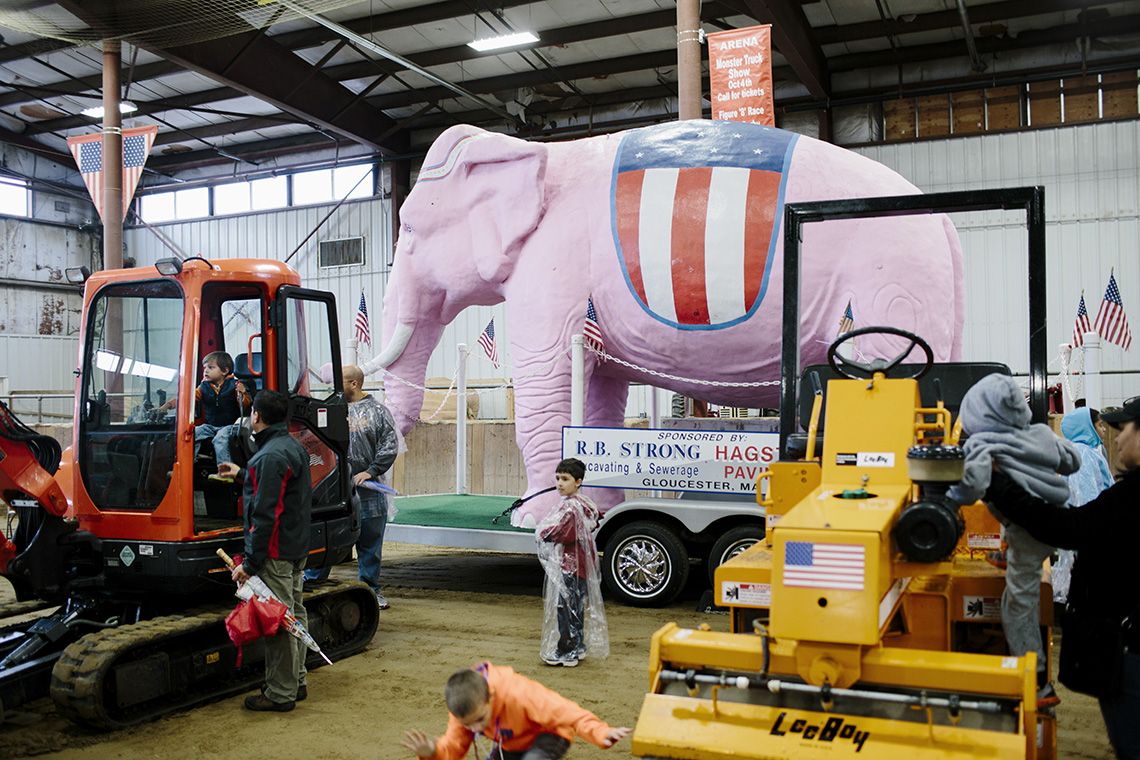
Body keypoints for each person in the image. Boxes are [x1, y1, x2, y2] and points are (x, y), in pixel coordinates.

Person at [984, 395, 1140, 759]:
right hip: (1126, 642)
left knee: (1131, 744)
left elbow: (1071, 526)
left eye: (1124, 429)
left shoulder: (1134, 495)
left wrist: (995, 484)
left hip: (1131, 649)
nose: (1116, 438)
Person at [946, 373, 1080, 691]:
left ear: (977, 413)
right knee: (1011, 520)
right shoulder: (1040, 433)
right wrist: (1046, 451)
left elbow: (972, 487)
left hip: (1028, 531)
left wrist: (947, 497)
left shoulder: (983, 445)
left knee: (1018, 604)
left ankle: (1035, 676)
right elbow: (1072, 461)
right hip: (1054, 515)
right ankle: (1009, 553)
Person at [218, 389, 312, 712]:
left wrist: (251, 563)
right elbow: (279, 488)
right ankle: (296, 680)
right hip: (295, 547)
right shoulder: (291, 447)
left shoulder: (268, 457)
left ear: (256, 416)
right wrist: (242, 474)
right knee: (294, 614)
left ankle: (280, 693)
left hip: (274, 553)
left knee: (278, 621)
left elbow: (265, 515)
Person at [303, 365, 400, 609]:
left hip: (368, 491)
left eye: (340, 382)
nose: (334, 388)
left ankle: (370, 591)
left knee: (369, 545)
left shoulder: (378, 411)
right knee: (326, 540)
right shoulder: (330, 411)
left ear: (354, 384)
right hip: (333, 492)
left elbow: (389, 445)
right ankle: (309, 588)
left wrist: (370, 471)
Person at [401, 661, 631, 760]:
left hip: (550, 734)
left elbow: (567, 713)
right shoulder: (464, 709)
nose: (476, 729)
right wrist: (432, 752)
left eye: (480, 720)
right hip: (512, 742)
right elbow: (454, 748)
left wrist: (601, 731)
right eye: (468, 725)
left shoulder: (519, 694)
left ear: (491, 696)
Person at [536, 458, 608, 668]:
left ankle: (567, 651)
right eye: (558, 478)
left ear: (578, 482)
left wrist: (544, 532)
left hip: (571, 564)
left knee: (565, 607)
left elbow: (564, 532)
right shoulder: (583, 504)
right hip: (581, 563)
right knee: (574, 606)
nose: (559, 483)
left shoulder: (571, 508)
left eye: (565, 479)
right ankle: (577, 645)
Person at [1053, 407, 1115, 603]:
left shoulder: (1086, 452)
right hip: (1090, 537)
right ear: (1088, 427)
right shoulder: (1084, 455)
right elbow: (1085, 498)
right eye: (1100, 425)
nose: (1104, 430)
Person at [160, 351, 251, 467]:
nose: (206, 371)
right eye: (204, 368)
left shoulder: (234, 385)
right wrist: (167, 405)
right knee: (192, 434)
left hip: (230, 426)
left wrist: (242, 393)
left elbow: (245, 406)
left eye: (211, 367)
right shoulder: (203, 387)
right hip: (211, 426)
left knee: (220, 438)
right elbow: (186, 399)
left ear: (224, 371)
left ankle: (225, 470)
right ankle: (187, 467)